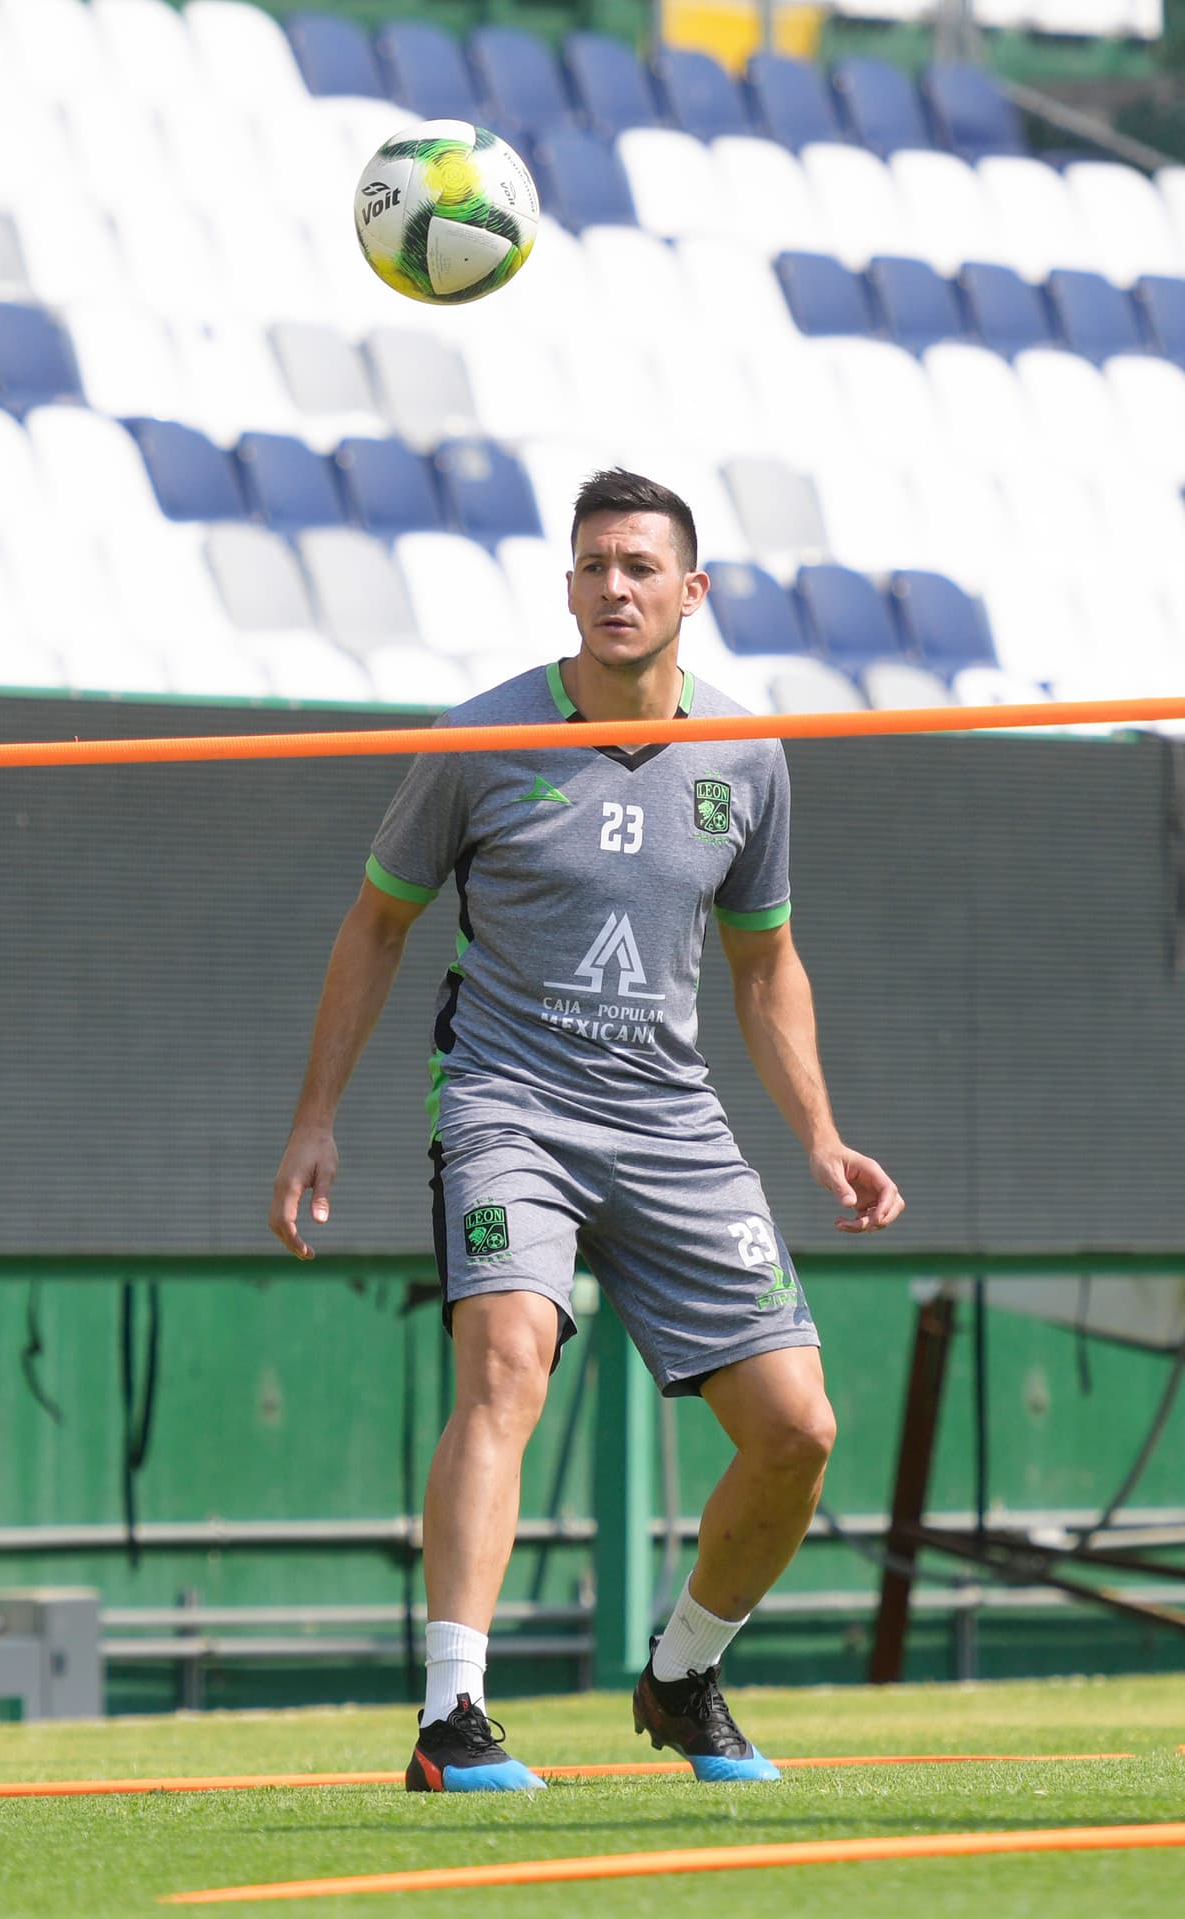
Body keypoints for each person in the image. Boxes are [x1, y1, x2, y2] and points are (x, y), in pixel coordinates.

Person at [270, 468, 904, 1792]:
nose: (613, 588)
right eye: (592, 566)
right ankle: (454, 1718)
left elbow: (765, 965)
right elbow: (376, 922)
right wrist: (314, 1119)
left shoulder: (747, 754)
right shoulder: (478, 740)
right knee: (508, 1361)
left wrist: (823, 1138)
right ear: (569, 587)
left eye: (638, 567)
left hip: (672, 1121)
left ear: (692, 593)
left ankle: (681, 1680)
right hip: (512, 1106)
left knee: (800, 1430)